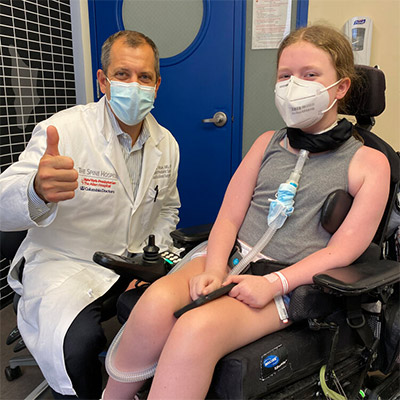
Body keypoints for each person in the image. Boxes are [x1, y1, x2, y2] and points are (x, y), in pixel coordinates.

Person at [102, 25, 390, 400]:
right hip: (228, 257)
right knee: (153, 306)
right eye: (285, 75)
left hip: (289, 284)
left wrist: (274, 284)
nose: (293, 85)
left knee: (194, 330)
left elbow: (343, 251)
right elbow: (229, 217)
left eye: (310, 75)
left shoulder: (370, 164)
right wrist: (214, 268)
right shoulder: (266, 143)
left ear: (341, 87)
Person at [0, 30, 180, 399]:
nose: (134, 85)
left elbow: (167, 209)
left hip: (130, 265)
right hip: (65, 265)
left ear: (157, 85)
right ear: (103, 80)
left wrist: (150, 261)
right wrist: (35, 189)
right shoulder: (64, 130)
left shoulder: (167, 144)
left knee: (170, 320)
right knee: (78, 345)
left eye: (144, 77)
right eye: (122, 74)